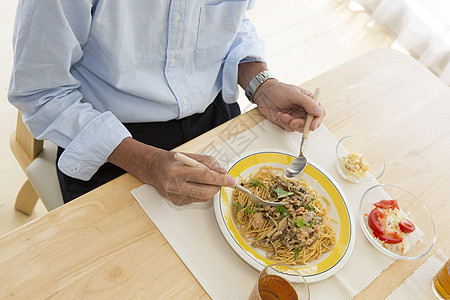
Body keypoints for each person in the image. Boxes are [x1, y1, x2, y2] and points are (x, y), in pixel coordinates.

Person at [8, 0, 325, 206]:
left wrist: (260, 83)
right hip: (111, 140)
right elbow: (40, 92)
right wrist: (145, 162)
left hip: (213, 114)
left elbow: (231, 20)